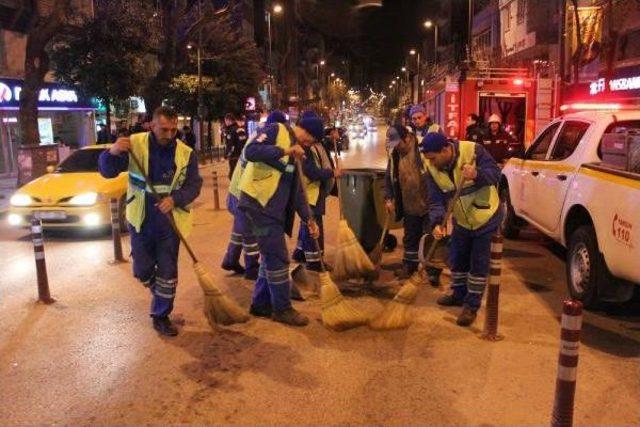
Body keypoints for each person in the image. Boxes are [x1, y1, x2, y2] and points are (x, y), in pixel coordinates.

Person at [98, 106, 203, 337]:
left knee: (167, 270)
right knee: (141, 270)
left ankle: (161, 315)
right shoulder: (135, 144)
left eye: (173, 130)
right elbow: (107, 172)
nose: (169, 134)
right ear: (152, 125)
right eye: (164, 129)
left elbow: (194, 185)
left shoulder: (186, 153)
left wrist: (175, 199)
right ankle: (160, 292)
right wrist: (112, 152)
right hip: (140, 218)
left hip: (170, 222)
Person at [238, 111, 318, 327]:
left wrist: (309, 219)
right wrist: (284, 150)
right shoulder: (276, 130)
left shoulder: (300, 153)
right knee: (279, 258)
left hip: (273, 211)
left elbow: (298, 191)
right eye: (310, 138)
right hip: (257, 206)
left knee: (270, 257)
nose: (309, 143)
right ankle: (282, 309)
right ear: (303, 129)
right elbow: (251, 151)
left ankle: (260, 304)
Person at [420, 132, 502, 327]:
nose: (430, 163)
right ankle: (458, 294)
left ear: (446, 150)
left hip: (485, 217)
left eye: (433, 158)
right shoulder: (432, 168)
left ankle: (471, 306)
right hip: (462, 220)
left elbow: (496, 173)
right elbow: (436, 199)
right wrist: (437, 223)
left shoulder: (473, 151)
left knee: (478, 264)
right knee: (457, 259)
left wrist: (477, 174)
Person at [383, 125, 441, 284]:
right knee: (410, 238)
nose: (397, 148)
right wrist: (388, 198)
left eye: (398, 143)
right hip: (409, 203)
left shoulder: (422, 148)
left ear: (407, 137)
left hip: (430, 204)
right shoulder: (395, 154)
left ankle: (433, 271)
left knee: (432, 238)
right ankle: (409, 267)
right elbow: (389, 177)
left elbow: (437, 173)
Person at [292, 112, 341, 282]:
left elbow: (324, 147)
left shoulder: (315, 144)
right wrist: (331, 173)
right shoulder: (305, 147)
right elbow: (311, 172)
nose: (312, 142)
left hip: (313, 193)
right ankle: (314, 262)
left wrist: (332, 135)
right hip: (310, 192)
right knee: (313, 224)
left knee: (308, 224)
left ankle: (300, 252)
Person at [223, 113, 240, 179]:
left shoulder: (232, 131)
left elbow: (231, 145)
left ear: (228, 120)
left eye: (225, 121)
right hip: (240, 155)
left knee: (232, 175)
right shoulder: (239, 129)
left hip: (234, 156)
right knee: (236, 173)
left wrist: (227, 155)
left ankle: (234, 189)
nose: (225, 123)